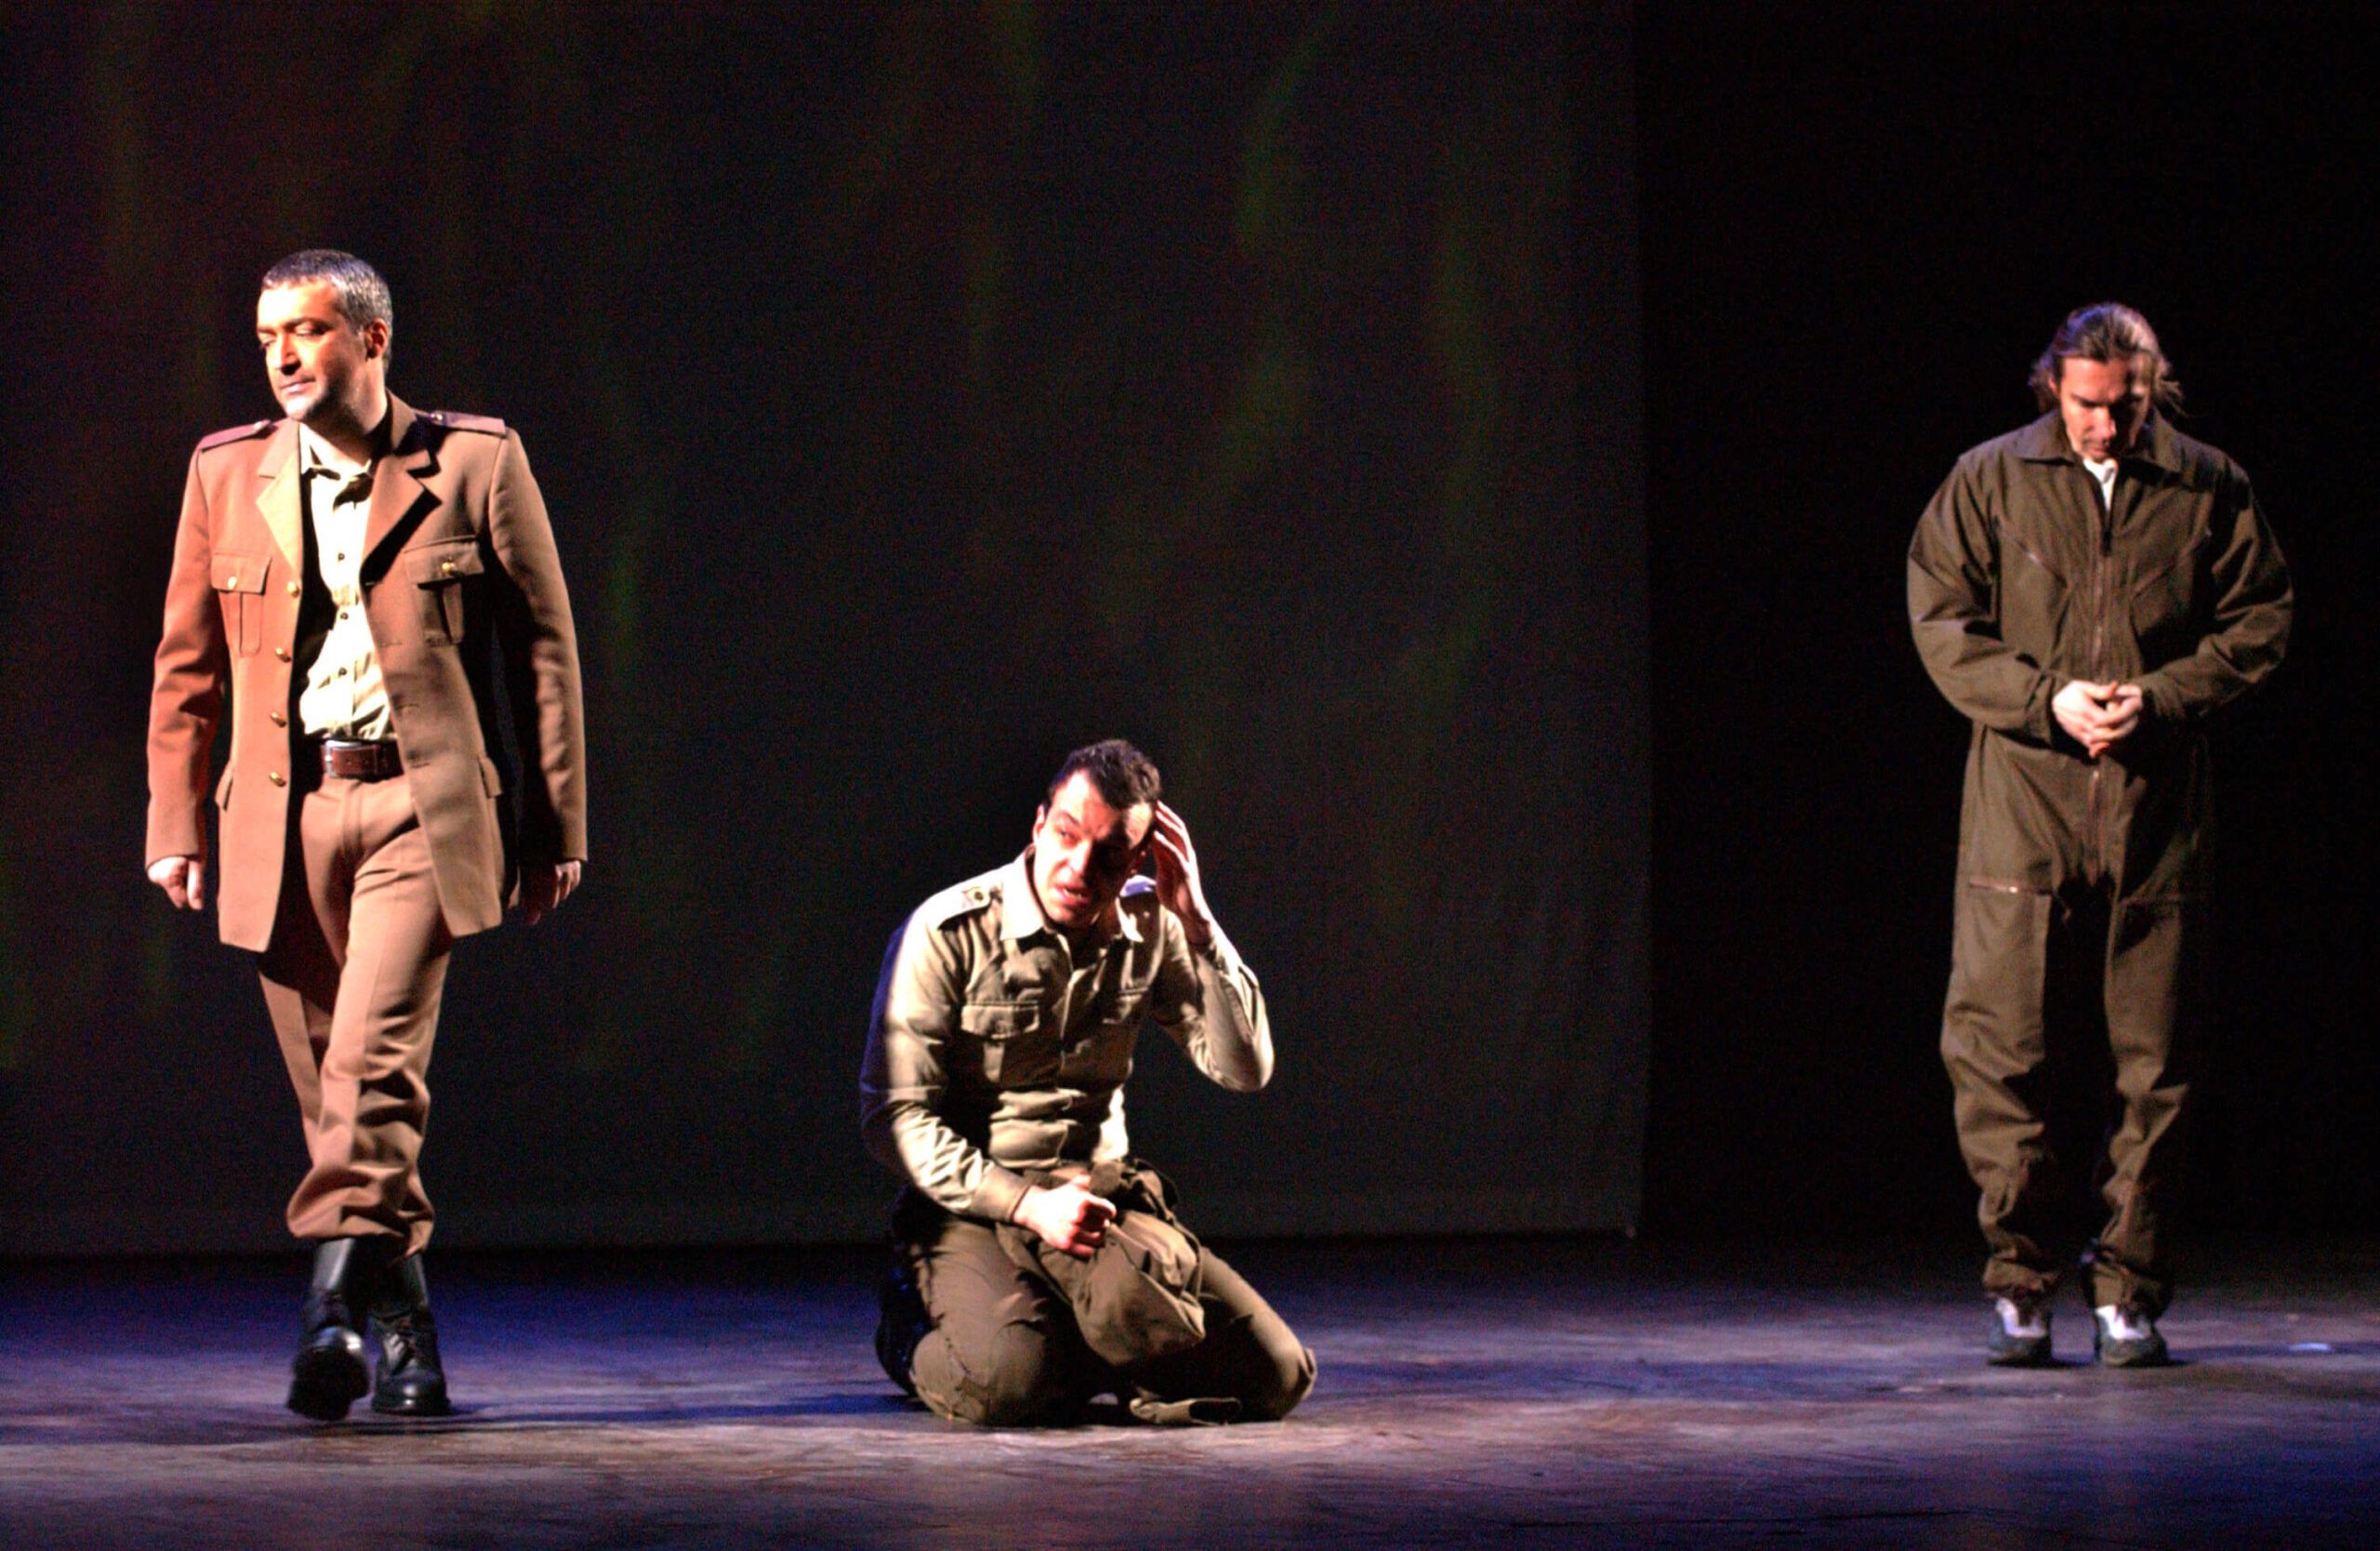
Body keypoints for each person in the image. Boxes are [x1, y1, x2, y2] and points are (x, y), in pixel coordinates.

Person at [145, 250, 588, 1419]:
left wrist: (555, 824)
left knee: (373, 1066)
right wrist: (175, 820)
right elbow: (186, 666)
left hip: (418, 809)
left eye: (307, 330)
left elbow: (543, 650)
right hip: (278, 820)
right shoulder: (226, 475)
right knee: (333, 1103)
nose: (284, 354)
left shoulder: (473, 463)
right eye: (267, 337)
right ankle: (412, 1340)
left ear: (373, 340)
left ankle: (326, 1313)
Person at [1909, 303, 2291, 1368]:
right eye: (2084, 405)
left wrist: (2163, 698)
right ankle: (2019, 1282)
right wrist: (2045, 702)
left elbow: (2259, 616)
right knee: (2000, 1044)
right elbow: (1939, 616)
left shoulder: (2207, 483)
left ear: (2148, 391)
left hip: (2154, 800)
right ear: (2052, 388)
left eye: (2121, 407)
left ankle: (2128, 1289)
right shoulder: (1989, 478)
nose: (2103, 428)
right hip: (2023, 792)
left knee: (2155, 1056)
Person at [860, 739, 1316, 1425]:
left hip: (1097, 1201)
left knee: (1277, 1376)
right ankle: (913, 1332)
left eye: (1109, 854)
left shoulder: (1154, 925)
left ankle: (1081, 1336)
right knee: (1011, 1385)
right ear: (1040, 824)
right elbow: (894, 1119)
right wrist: (1024, 1204)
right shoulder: (947, 932)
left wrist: (1196, 920)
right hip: (977, 1210)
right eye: (1067, 836)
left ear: (1139, 859)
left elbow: (1244, 1067)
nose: (1078, 868)